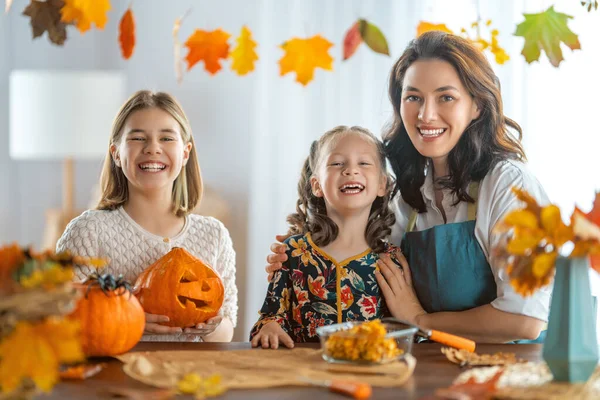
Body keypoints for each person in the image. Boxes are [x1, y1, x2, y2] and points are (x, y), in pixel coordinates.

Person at [265, 31, 550, 344]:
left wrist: (419, 320)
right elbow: (364, 262)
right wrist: (300, 259)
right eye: (413, 97)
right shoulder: (406, 199)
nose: (426, 114)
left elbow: (525, 320)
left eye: (446, 97)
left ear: (477, 106)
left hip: (515, 373)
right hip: (437, 372)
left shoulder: (509, 186)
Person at [57, 90, 237, 342]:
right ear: (116, 153)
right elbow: (57, 316)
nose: (153, 148)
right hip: (118, 377)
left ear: (185, 153)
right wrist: (128, 319)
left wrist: (211, 326)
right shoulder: (89, 231)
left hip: (193, 378)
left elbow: (225, 333)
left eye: (166, 138)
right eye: (138, 138)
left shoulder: (214, 234)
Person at [250, 125, 402, 349]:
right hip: (305, 375)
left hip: (370, 376)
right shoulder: (292, 252)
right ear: (317, 185)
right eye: (337, 163)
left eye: (364, 163)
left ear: (382, 184)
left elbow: (402, 328)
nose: (351, 170)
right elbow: (271, 316)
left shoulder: (390, 260)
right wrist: (270, 327)